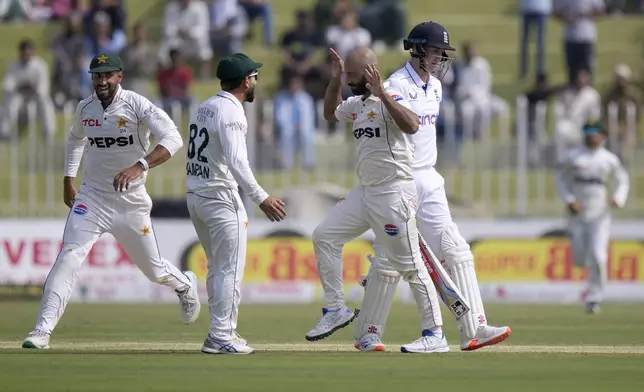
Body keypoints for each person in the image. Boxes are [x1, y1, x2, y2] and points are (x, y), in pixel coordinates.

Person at [21, 53, 201, 350]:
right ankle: (42, 330)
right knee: (69, 256)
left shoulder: (136, 104)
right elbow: (76, 139)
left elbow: (173, 138)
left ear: (120, 76)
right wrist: (68, 179)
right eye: (97, 76)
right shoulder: (85, 107)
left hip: (130, 203)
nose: (102, 81)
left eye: (108, 75)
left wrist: (139, 166)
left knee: (154, 270)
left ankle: (184, 284)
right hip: (92, 198)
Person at [305, 46, 450, 353]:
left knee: (411, 266)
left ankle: (435, 334)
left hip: (393, 193)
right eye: (347, 75)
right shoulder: (356, 104)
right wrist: (334, 80)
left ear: (371, 73)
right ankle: (335, 309)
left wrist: (382, 93)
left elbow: (411, 125)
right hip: (366, 192)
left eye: (352, 76)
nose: (349, 80)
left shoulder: (391, 97)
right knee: (324, 236)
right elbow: (330, 114)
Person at [186, 53, 287, 355]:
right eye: (255, 76)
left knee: (218, 269)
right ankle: (221, 335)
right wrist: (262, 197)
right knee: (229, 270)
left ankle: (220, 332)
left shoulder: (205, 106)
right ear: (246, 81)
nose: (256, 82)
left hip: (197, 196)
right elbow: (237, 161)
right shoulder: (232, 112)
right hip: (220, 198)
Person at [554, 121, 629, 314]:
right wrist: (569, 200)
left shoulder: (609, 159)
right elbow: (559, 179)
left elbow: (622, 180)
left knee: (598, 254)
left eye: (594, 133)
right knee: (579, 257)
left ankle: (594, 298)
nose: (591, 137)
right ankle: (588, 276)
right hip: (578, 213)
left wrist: (618, 198)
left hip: (600, 214)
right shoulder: (573, 156)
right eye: (588, 133)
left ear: (602, 136)